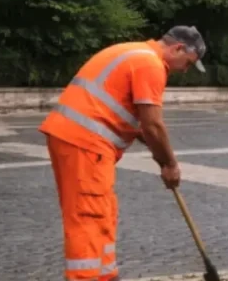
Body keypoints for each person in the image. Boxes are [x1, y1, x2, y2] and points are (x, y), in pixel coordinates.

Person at [39, 26, 207, 281]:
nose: (184, 70)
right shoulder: (150, 64)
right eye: (188, 63)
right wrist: (169, 164)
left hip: (84, 142)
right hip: (85, 143)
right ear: (178, 48)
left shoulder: (134, 53)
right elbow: (152, 124)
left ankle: (106, 276)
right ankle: (85, 277)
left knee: (104, 211)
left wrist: (156, 147)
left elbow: (137, 123)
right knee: (89, 216)